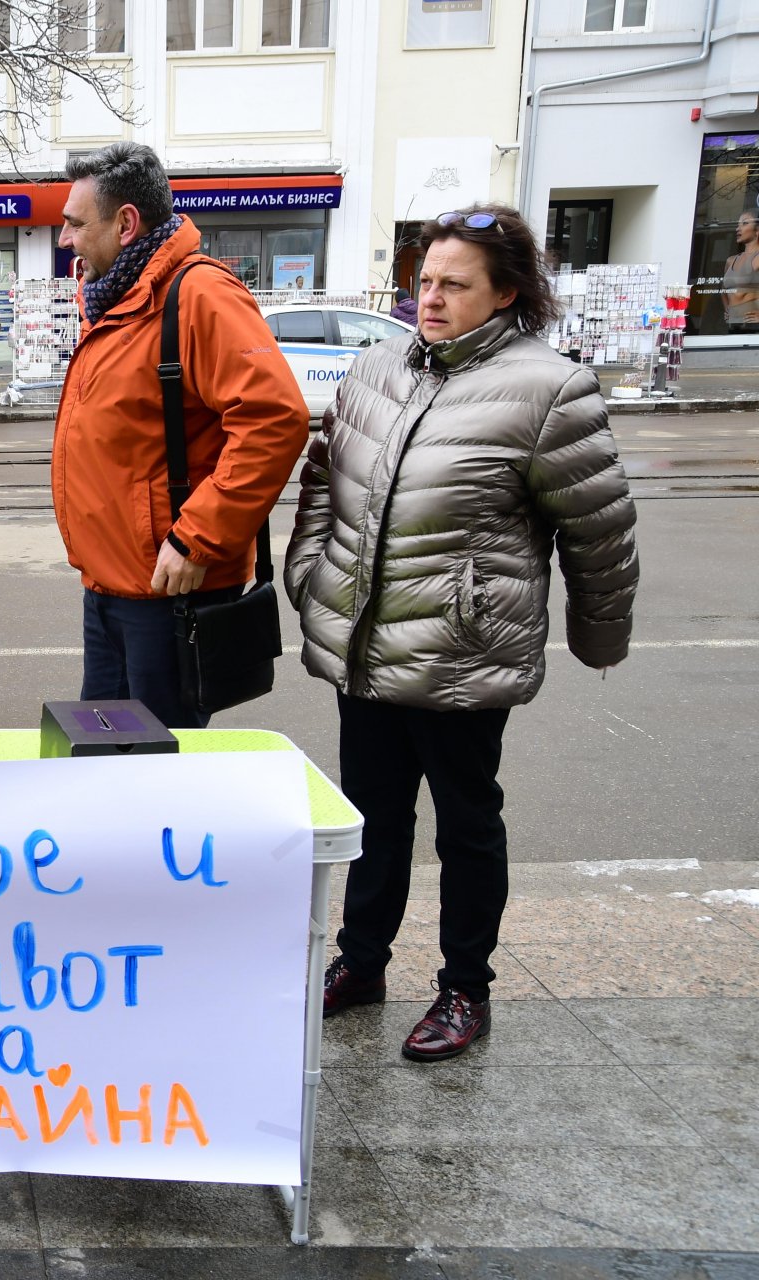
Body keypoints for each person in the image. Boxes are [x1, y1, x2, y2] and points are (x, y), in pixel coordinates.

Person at [286, 204, 638, 1061]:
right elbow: (324, 482)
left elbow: (600, 528)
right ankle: (360, 962)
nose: (430, 298)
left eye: (453, 284)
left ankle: (463, 988)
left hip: (462, 653)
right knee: (370, 814)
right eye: (424, 280)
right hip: (368, 644)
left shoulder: (550, 389)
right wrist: (310, 577)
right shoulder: (376, 368)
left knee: (466, 825)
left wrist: (599, 637)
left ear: (505, 293)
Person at [51, 141, 307, 729]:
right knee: (105, 762)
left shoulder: (197, 295)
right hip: (112, 587)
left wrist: (198, 538)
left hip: (168, 593)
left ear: (126, 223)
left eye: (74, 223)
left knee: (154, 777)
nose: (65, 238)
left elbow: (275, 418)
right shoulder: (118, 297)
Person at [723, 209, 759, 331]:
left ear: (757, 230)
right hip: (732, 327)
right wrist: (727, 309)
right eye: (737, 224)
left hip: (754, 328)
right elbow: (723, 290)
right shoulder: (731, 260)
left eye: (744, 223)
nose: (738, 228)